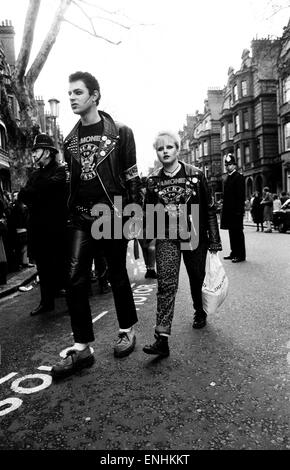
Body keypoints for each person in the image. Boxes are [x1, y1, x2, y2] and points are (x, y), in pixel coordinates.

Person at [51, 71, 142, 379]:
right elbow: (70, 183)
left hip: (112, 212)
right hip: (79, 215)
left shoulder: (121, 132)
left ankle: (126, 330)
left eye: (78, 92)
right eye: (70, 94)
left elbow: (132, 181)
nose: (72, 98)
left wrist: (135, 218)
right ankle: (82, 347)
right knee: (75, 278)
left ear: (94, 95)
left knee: (116, 273)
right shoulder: (69, 140)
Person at [142, 131, 222, 357]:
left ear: (177, 149)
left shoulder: (195, 175)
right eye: (160, 148)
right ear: (156, 153)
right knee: (166, 284)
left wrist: (214, 239)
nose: (165, 151)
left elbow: (208, 209)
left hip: (194, 234)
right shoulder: (153, 181)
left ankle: (199, 310)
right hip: (167, 236)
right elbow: (149, 213)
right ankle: (162, 339)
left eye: (169, 147)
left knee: (196, 277)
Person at [18, 134, 67, 316]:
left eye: (36, 151)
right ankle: (46, 302)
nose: (33, 154)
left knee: (62, 266)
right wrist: (34, 192)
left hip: (56, 229)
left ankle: (71, 302)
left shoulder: (60, 171)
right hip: (38, 229)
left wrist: (34, 191)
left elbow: (47, 188)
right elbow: (23, 195)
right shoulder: (35, 174)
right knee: (43, 269)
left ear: (46, 152)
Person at [220, 154, 246, 263]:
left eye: (230, 164)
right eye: (226, 165)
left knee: (238, 233)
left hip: (236, 211)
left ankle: (240, 255)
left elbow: (241, 196)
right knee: (232, 233)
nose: (228, 167)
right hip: (229, 211)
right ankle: (233, 252)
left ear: (235, 165)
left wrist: (239, 211)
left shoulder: (239, 177)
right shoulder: (228, 178)